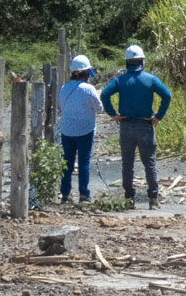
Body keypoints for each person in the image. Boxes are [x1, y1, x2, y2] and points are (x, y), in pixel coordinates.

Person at [101, 44, 172, 209]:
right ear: (142, 61)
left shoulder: (119, 80)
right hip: (145, 125)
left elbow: (104, 94)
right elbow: (167, 95)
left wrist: (113, 115)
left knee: (127, 163)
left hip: (125, 125)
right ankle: (153, 199)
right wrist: (158, 117)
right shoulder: (150, 79)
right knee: (149, 163)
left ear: (127, 62)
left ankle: (129, 199)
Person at [58, 54, 102, 204]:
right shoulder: (89, 89)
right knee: (83, 163)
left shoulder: (63, 88)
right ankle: (84, 194)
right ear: (85, 72)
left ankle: (64, 195)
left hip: (67, 131)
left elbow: (62, 107)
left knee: (67, 163)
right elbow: (99, 109)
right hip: (85, 130)